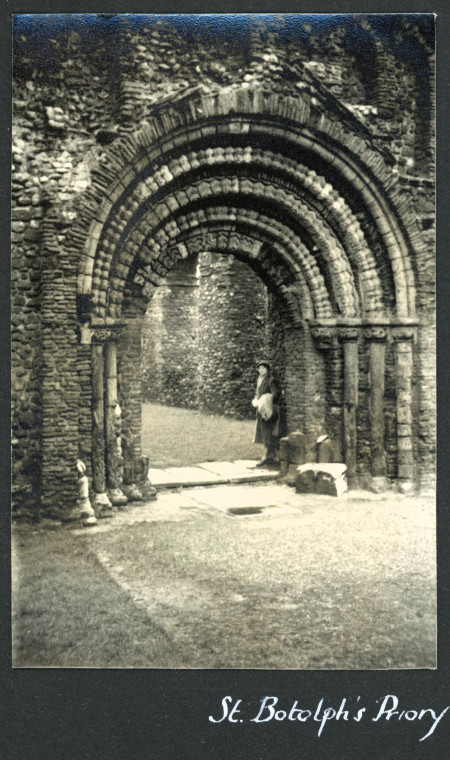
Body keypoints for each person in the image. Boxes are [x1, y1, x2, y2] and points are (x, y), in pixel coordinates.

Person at [252, 360, 281, 466]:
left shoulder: (271, 380)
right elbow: (258, 393)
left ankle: (265, 457)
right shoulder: (259, 380)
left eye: (263, 368)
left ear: (268, 370)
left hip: (269, 410)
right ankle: (269, 456)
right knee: (264, 433)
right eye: (259, 368)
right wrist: (256, 400)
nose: (261, 370)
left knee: (268, 432)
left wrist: (265, 399)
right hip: (261, 410)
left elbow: (276, 394)